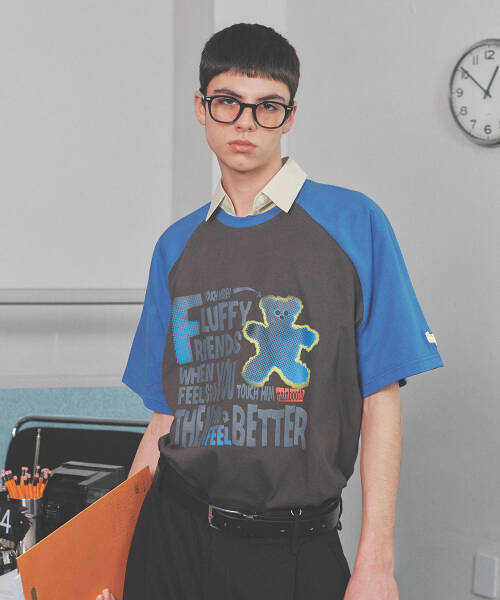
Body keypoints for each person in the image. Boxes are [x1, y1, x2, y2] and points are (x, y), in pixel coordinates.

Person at [96, 22, 444, 600]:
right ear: (201, 108)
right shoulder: (176, 246)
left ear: (290, 116)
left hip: (291, 549)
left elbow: (380, 398)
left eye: (267, 107)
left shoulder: (354, 224)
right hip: (170, 535)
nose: (245, 123)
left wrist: (377, 562)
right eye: (228, 102)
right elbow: (165, 417)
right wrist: (111, 553)